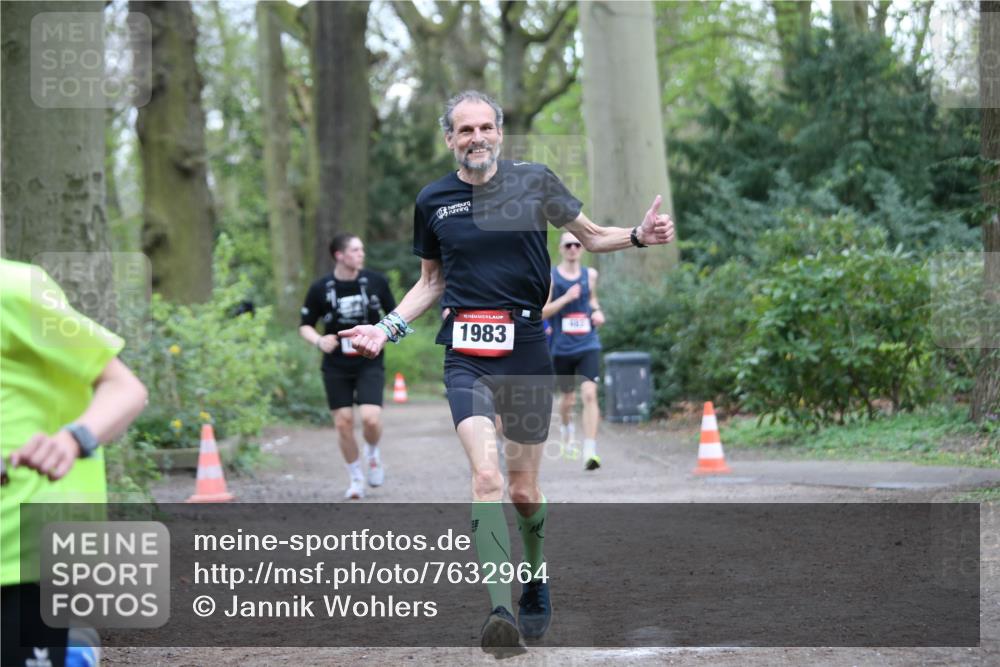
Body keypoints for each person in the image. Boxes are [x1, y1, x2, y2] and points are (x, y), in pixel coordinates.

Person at [338, 90, 675, 653]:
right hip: (465, 353)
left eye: (486, 127)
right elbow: (431, 281)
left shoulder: (534, 181)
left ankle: (535, 576)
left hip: (526, 349)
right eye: (465, 130)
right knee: (486, 479)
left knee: (522, 489)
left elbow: (593, 236)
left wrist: (639, 236)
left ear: (499, 132)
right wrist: (385, 327)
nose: (477, 138)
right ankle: (499, 610)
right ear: (450, 139)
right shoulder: (433, 200)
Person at [1, 259, 148, 667]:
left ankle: (73, 649)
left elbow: (125, 388)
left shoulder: (14, 289)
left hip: (23, 545)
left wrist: (71, 440)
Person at [299, 234, 397, 500]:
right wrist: (319, 340)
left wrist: (383, 335)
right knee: (343, 422)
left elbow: (395, 316)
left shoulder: (376, 282)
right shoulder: (320, 288)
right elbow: (305, 326)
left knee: (370, 418)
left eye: (361, 249)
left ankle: (372, 453)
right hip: (336, 365)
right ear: (339, 255)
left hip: (369, 361)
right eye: (355, 250)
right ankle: (356, 478)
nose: (361, 254)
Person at [542, 231, 605, 471]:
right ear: (561, 249)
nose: (573, 249)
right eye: (568, 245)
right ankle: (567, 431)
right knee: (568, 399)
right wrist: (566, 298)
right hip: (562, 347)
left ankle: (590, 450)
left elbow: (592, 300)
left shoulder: (590, 275)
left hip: (588, 343)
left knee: (589, 393)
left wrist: (597, 312)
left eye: (577, 244)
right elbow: (543, 312)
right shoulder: (552, 278)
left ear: (582, 248)